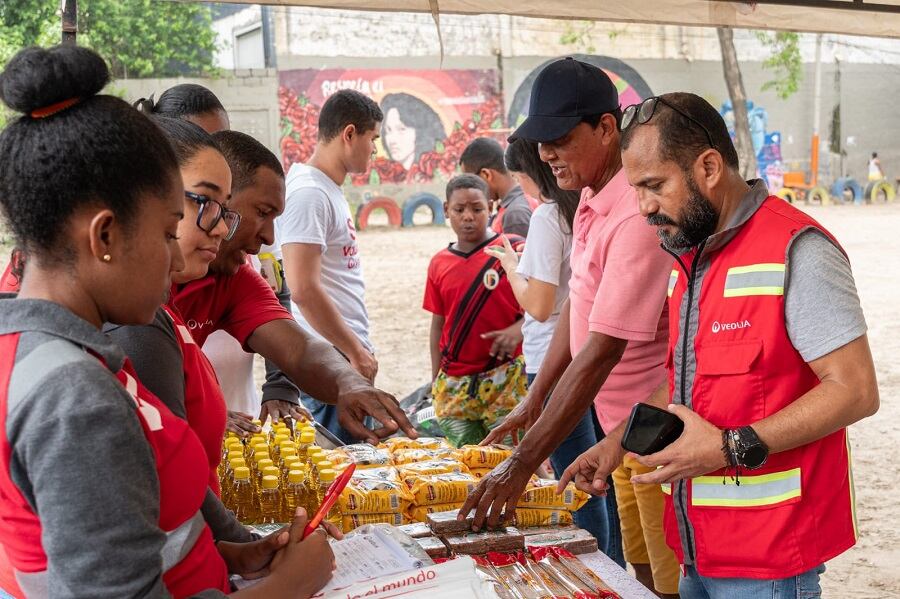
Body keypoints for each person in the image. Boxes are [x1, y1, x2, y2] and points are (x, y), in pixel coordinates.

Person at [0, 45, 334, 598]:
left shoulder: (49, 352)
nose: (175, 258)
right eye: (164, 233)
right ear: (104, 236)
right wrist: (292, 584)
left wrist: (226, 550)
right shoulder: (74, 399)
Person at [559, 92, 880, 598]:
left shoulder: (797, 248)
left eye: (654, 186)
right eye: (635, 188)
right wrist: (618, 442)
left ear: (708, 166)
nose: (643, 207)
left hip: (770, 559)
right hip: (696, 545)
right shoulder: (692, 255)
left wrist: (729, 447)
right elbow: (690, 382)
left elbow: (856, 390)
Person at [461, 58, 681, 597]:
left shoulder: (633, 214)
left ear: (607, 128)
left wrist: (522, 461)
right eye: (541, 141)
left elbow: (602, 348)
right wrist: (533, 400)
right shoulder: (588, 196)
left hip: (656, 427)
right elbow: (576, 314)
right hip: (618, 429)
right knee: (639, 562)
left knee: (670, 568)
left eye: (558, 138)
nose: (545, 154)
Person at [137, 84, 304, 436]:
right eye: (206, 196)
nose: (222, 159)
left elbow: (284, 323)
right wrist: (204, 413)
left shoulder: (238, 264)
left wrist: (281, 383)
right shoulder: (130, 303)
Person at [485, 138, 613, 550]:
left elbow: (539, 306)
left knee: (574, 476)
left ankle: (603, 566)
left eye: (520, 178)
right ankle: (616, 563)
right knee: (600, 470)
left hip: (553, 359)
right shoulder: (586, 208)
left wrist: (510, 267)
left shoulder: (547, 217)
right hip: (588, 351)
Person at [276, 89, 383, 444]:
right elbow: (303, 288)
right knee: (342, 474)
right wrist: (354, 352)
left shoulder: (326, 189)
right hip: (331, 359)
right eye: (373, 139)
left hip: (343, 354)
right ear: (349, 134)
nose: (375, 150)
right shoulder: (309, 193)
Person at [425, 174, 527, 447]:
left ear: (491, 206)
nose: (468, 217)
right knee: (468, 461)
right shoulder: (439, 263)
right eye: (459, 210)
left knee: (512, 458)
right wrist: (436, 379)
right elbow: (438, 324)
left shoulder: (512, 249)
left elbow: (547, 303)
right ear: (446, 210)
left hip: (505, 378)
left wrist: (519, 329)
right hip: (454, 383)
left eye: (477, 208)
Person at [460, 137, 532, 238]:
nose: (470, 189)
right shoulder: (519, 200)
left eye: (471, 181)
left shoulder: (515, 214)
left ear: (486, 174)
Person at [380, 92, 447, 171]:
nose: (392, 140)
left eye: (401, 129)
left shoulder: (433, 172)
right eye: (388, 130)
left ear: (420, 133)